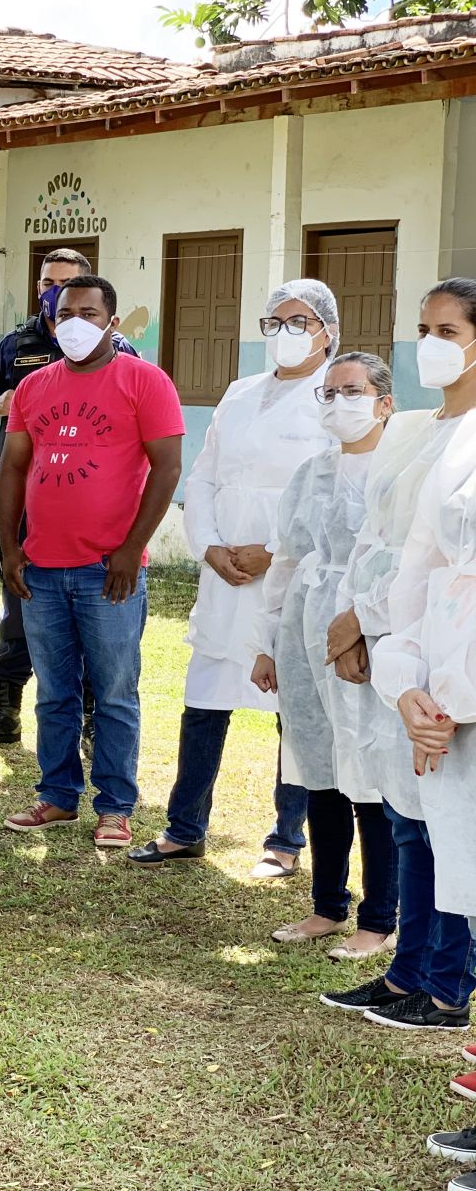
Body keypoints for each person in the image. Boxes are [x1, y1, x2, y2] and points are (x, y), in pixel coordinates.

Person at [128, 279, 338, 874]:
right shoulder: (240, 393)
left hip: (289, 574)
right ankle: (184, 827)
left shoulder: (335, 396)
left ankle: (285, 841)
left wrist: (275, 552)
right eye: (276, 322)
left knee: (291, 707)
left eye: (299, 321)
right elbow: (204, 476)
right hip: (224, 575)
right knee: (205, 700)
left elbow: (329, 490)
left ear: (327, 329)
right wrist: (210, 547)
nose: (286, 333)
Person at [319, 281, 476, 1035]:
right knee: (410, 820)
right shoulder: (417, 427)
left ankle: (447, 984)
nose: (431, 343)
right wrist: (356, 623)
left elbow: (444, 560)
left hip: (439, 649)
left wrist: (366, 618)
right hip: (396, 654)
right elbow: (379, 541)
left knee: (449, 829)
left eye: (447, 329)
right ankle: (410, 969)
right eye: (423, 328)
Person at [0, 275, 185, 849]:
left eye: (87, 310)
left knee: (114, 691)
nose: (74, 321)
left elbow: (168, 468)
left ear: (111, 319)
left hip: (110, 571)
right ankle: (56, 797)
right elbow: (12, 469)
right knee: (54, 690)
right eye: (63, 311)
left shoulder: (144, 381)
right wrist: (9, 549)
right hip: (42, 569)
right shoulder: (33, 387)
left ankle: (116, 805)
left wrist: (130, 549)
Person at [246, 353, 397, 957]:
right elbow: (286, 559)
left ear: (384, 402)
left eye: (352, 391)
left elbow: (401, 560)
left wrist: (363, 624)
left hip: (368, 628)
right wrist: (267, 644)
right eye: (329, 393)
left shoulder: (398, 471)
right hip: (304, 624)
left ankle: (379, 916)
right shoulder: (313, 472)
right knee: (317, 765)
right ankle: (327, 906)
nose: (339, 403)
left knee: (369, 770)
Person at [0, 249, 136, 749]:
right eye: (47, 283)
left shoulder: (118, 348)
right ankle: (4, 709)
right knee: (18, 605)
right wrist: (2, 404)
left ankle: (87, 716)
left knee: (91, 613)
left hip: (88, 504)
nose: (55, 292)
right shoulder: (18, 343)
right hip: (23, 497)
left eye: (67, 284)